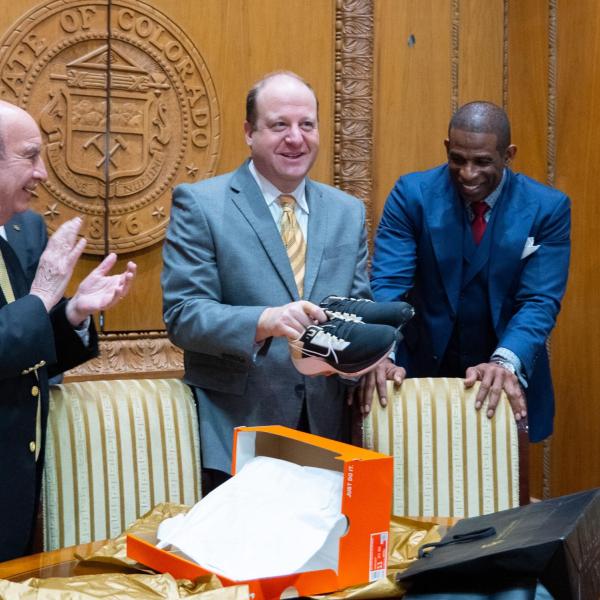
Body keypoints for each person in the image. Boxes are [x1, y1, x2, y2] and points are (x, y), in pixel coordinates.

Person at [162, 71, 404, 491]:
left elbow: (357, 311)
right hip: (237, 437)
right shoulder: (201, 205)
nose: (296, 138)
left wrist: (372, 357)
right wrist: (267, 319)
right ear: (249, 133)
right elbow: (184, 315)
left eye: (306, 125)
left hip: (327, 435)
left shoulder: (346, 211)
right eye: (279, 125)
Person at [369, 101, 571, 443]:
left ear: (508, 154)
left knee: (501, 492)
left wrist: (505, 364)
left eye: (482, 162)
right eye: (458, 159)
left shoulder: (548, 208)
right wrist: (381, 353)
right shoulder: (411, 195)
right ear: (447, 148)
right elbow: (389, 284)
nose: (468, 173)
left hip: (503, 379)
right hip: (418, 376)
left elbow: (539, 300)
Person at [0, 100, 137, 561]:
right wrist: (42, 296)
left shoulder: (22, 230)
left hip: (16, 484)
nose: (41, 173)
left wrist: (74, 311)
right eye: (30, 156)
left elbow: (23, 349)